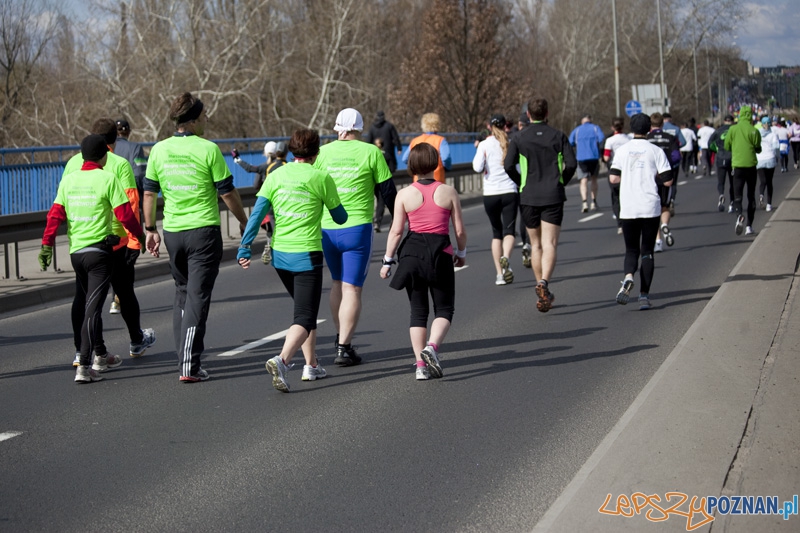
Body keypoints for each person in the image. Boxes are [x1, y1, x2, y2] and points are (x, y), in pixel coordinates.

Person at [142, 92, 249, 383]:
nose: (207, 120)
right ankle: (189, 365)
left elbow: (149, 192)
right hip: (203, 232)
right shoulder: (208, 149)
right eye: (204, 116)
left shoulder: (159, 150)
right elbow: (227, 192)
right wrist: (244, 221)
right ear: (192, 120)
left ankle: (184, 359)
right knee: (198, 298)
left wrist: (150, 229)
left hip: (173, 232)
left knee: (181, 294)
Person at [237, 128, 347, 392]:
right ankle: (282, 361)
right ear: (316, 152)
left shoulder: (275, 175)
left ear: (292, 150)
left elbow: (257, 214)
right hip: (306, 254)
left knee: (302, 311)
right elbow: (341, 217)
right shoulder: (321, 177)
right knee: (305, 317)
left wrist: (244, 247)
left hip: (280, 255)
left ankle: (311, 365)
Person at [39, 135, 146, 383]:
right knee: (93, 310)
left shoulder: (69, 180)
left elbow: (55, 215)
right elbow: (125, 215)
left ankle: (100, 355)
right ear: (104, 155)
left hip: (76, 254)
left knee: (90, 306)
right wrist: (138, 236)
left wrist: (46, 245)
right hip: (99, 254)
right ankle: (84, 366)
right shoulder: (107, 178)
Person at [61, 118, 156, 364]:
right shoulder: (121, 163)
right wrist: (137, 239)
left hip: (83, 241)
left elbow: (63, 201)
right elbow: (130, 203)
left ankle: (87, 350)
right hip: (117, 241)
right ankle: (136, 340)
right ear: (114, 140)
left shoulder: (73, 163)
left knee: (84, 298)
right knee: (124, 292)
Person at [314, 108, 396, 366]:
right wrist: (401, 224)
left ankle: (340, 337)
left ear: (337, 127)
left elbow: (312, 185)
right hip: (357, 228)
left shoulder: (323, 152)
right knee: (352, 288)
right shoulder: (371, 152)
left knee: (336, 284)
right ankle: (344, 346)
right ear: (360, 128)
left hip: (327, 227)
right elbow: (389, 192)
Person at [380, 143, 466, 381]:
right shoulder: (448, 192)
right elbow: (459, 229)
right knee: (444, 309)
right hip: (440, 254)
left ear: (411, 166)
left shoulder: (404, 194)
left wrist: (387, 261)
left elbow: (396, 231)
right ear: (436, 163)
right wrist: (461, 252)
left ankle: (420, 365)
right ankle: (433, 347)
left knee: (418, 312)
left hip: (411, 255)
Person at [504, 97, 577, 312]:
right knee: (550, 244)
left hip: (529, 196)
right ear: (547, 114)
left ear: (528, 115)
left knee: (535, 244)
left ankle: (539, 283)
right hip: (553, 195)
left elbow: (508, 165)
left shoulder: (519, 137)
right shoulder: (558, 136)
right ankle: (544, 282)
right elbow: (572, 164)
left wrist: (521, 184)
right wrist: (561, 181)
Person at [609, 113, 673, 310]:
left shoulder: (622, 150)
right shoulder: (655, 151)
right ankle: (644, 296)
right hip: (649, 206)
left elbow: (613, 179)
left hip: (628, 207)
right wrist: (652, 178)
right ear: (649, 129)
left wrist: (628, 177)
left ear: (632, 129)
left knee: (631, 250)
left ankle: (628, 277)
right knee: (647, 252)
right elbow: (668, 180)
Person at [472, 114, 518, 285]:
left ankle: (499, 275)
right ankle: (506, 257)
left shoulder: (484, 144)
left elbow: (477, 167)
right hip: (509, 191)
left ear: (489, 126)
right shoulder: (510, 142)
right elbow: (516, 167)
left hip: (490, 193)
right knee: (509, 231)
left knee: (496, 233)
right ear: (505, 125)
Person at [233, 141, 288, 264]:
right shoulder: (286, 166)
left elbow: (250, 170)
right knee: (279, 228)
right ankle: (276, 250)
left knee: (270, 228)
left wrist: (237, 159)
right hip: (284, 202)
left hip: (268, 203)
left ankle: (271, 246)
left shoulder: (266, 167)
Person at [724, 105, 762, 236]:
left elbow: (726, 145)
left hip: (738, 166)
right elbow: (758, 147)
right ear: (751, 116)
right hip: (751, 166)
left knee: (737, 196)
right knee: (751, 196)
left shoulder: (733, 129)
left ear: (739, 115)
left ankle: (739, 215)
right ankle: (749, 227)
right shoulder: (754, 130)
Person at [646, 113, 681, 252]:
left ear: (651, 125)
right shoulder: (670, 138)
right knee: (664, 205)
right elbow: (676, 156)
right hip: (665, 177)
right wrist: (669, 165)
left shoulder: (647, 139)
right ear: (662, 124)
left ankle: (658, 241)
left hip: (649, 178)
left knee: (653, 210)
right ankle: (665, 224)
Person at [366, 111, 403, 232]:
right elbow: (395, 138)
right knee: (383, 195)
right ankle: (383, 219)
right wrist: (398, 148)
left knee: (374, 195)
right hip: (387, 163)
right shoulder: (389, 126)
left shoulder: (372, 128)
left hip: (372, 165)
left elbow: (367, 144)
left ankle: (375, 220)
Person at [401, 113, 452, 183]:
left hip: (418, 180)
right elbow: (445, 158)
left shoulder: (415, 141)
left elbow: (405, 159)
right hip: (436, 179)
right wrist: (447, 167)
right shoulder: (440, 140)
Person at [568, 114, 604, 212]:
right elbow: (601, 139)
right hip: (594, 157)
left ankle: (584, 202)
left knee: (583, 180)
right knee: (594, 179)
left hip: (581, 158)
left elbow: (570, 142)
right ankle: (593, 201)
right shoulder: (596, 128)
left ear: (581, 121)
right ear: (590, 120)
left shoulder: (577, 130)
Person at [602, 116, 631, 235]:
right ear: (623, 126)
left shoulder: (610, 140)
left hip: (615, 170)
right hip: (628, 170)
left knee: (615, 196)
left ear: (612, 127)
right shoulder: (629, 139)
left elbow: (606, 157)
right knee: (628, 195)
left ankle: (620, 224)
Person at [114, 119, 148, 212]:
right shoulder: (136, 147)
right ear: (129, 132)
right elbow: (140, 173)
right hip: (130, 198)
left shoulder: (106, 148)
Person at [514, 112, 532, 267]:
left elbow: (508, 164)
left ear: (520, 125)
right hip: (537, 183)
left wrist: (517, 180)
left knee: (524, 216)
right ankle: (533, 245)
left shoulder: (517, 139)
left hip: (522, 183)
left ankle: (525, 243)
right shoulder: (535, 138)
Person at [708, 115, 735, 212]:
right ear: (732, 121)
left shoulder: (718, 130)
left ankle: (721, 195)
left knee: (721, 181)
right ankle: (732, 203)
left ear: (724, 121)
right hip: (733, 158)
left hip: (720, 157)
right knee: (733, 183)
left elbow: (710, 143)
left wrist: (717, 150)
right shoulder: (735, 130)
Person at [756, 116, 779, 213]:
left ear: (761, 124)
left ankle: (761, 195)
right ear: (769, 124)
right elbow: (776, 147)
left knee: (762, 181)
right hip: (770, 158)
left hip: (760, 159)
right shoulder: (773, 134)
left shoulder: (757, 134)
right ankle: (769, 204)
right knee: (769, 182)